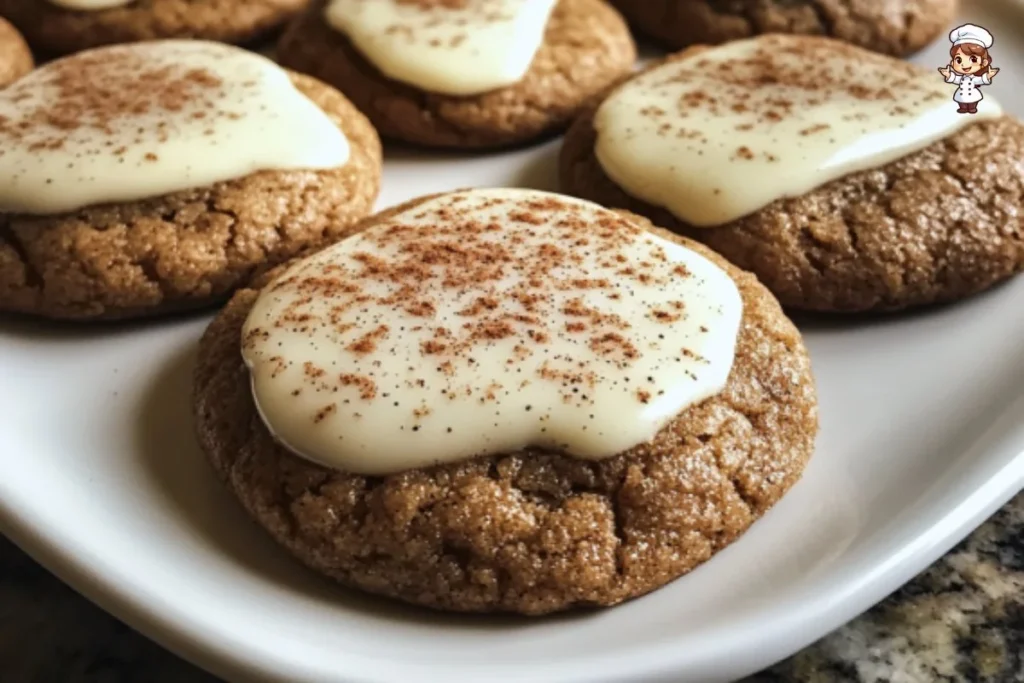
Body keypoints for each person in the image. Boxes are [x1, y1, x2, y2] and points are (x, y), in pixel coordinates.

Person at [938, 23, 999, 114]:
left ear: (984, 62)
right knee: (961, 101)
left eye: (973, 59)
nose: (965, 64)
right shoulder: (960, 78)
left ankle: (971, 108)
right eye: (959, 60)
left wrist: (988, 76)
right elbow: (955, 79)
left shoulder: (974, 79)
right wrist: (949, 75)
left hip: (972, 95)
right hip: (961, 94)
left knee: (972, 102)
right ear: (952, 62)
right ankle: (963, 107)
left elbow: (980, 80)